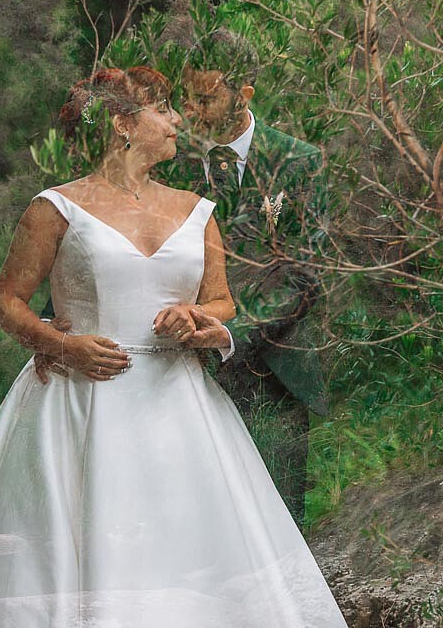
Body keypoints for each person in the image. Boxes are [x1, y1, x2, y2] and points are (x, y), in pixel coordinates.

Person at [0, 68, 345, 626]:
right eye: (164, 110)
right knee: (86, 549)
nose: (177, 121)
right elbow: (6, 302)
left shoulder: (198, 210)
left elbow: (223, 304)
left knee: (186, 546)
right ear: (124, 124)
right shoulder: (54, 208)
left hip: (180, 404)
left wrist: (198, 317)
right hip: (81, 400)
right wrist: (60, 343)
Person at [170, 28, 329, 522]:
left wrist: (233, 335)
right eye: (188, 99)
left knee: (278, 522)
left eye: (207, 98)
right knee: (202, 520)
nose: (193, 112)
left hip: (276, 370)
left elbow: (307, 275)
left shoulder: (299, 161)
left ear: (244, 95)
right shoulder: (177, 165)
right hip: (185, 370)